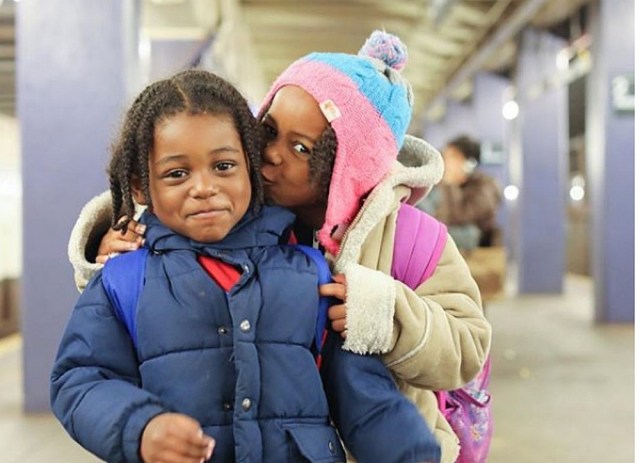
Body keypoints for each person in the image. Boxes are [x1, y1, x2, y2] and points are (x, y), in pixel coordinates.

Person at [68, 31, 491, 463]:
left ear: (347, 166)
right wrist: (112, 240)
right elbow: (93, 360)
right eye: (267, 131)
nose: (270, 154)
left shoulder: (406, 240)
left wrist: (385, 314)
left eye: (302, 147)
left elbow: (441, 359)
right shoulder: (222, 222)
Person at [411, 135, 503, 250]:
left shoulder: (486, 188)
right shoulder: (440, 185)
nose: (446, 162)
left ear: (469, 163)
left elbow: (458, 217)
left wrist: (449, 184)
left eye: (453, 157)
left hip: (478, 251)